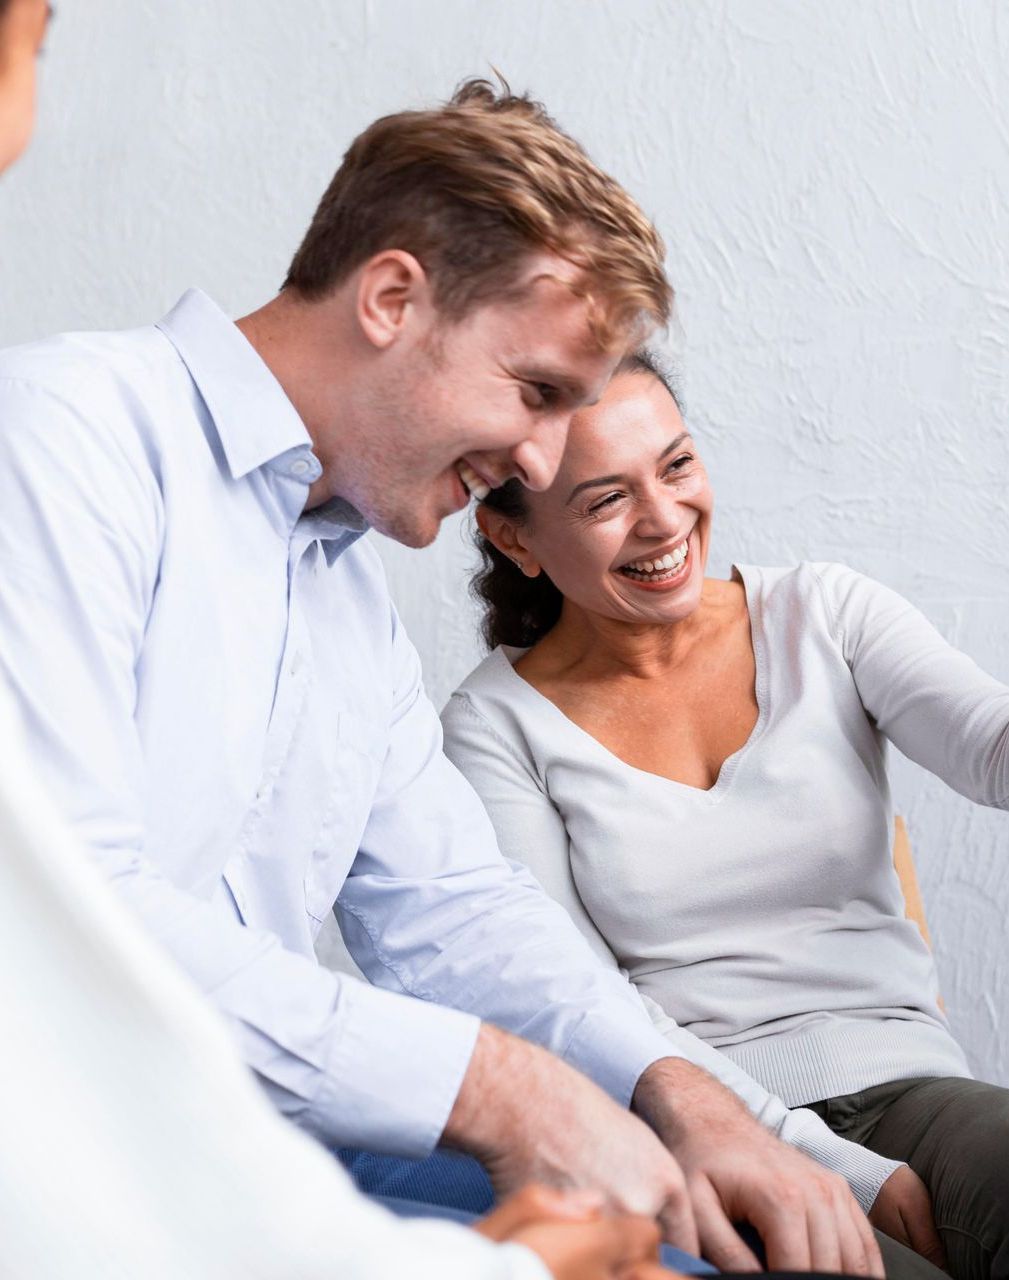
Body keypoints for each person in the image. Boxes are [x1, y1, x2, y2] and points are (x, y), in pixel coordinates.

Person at [0, 72, 891, 1275]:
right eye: (536, 394)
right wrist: (503, 1087)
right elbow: (66, 927)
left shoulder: (342, 589)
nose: (540, 461)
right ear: (391, 298)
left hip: (258, 1141)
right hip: (86, 1170)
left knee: (707, 1232)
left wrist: (683, 1093)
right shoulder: (63, 436)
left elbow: (453, 905)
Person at [442, 349, 1009, 1280]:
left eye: (676, 465)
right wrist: (825, 1162)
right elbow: (572, 996)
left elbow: (990, 746)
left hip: (913, 1089)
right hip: (697, 1133)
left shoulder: (824, 614)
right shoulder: (493, 725)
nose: (664, 520)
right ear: (515, 539)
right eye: (605, 499)